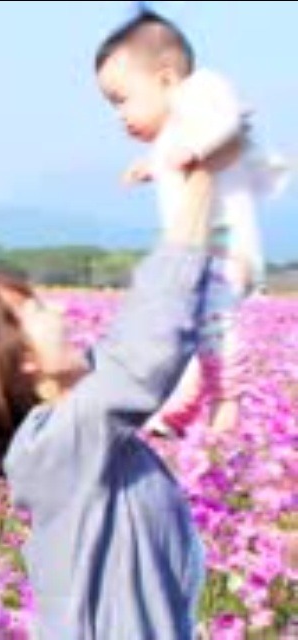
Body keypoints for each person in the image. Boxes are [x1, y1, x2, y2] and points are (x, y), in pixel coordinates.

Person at [0, 138, 241, 637]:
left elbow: (133, 351)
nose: (61, 310)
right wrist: (202, 180)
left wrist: (180, 185)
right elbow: (146, 352)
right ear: (22, 358)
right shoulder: (58, 444)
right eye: (36, 309)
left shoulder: (78, 430)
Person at [92, 5, 289, 435]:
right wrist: (154, 165)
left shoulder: (200, 93)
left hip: (224, 246)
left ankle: (225, 411)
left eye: (122, 99)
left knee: (215, 328)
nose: (119, 115)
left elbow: (230, 122)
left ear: (166, 80)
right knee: (197, 331)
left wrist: (195, 151)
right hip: (204, 250)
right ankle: (181, 411)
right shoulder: (175, 132)